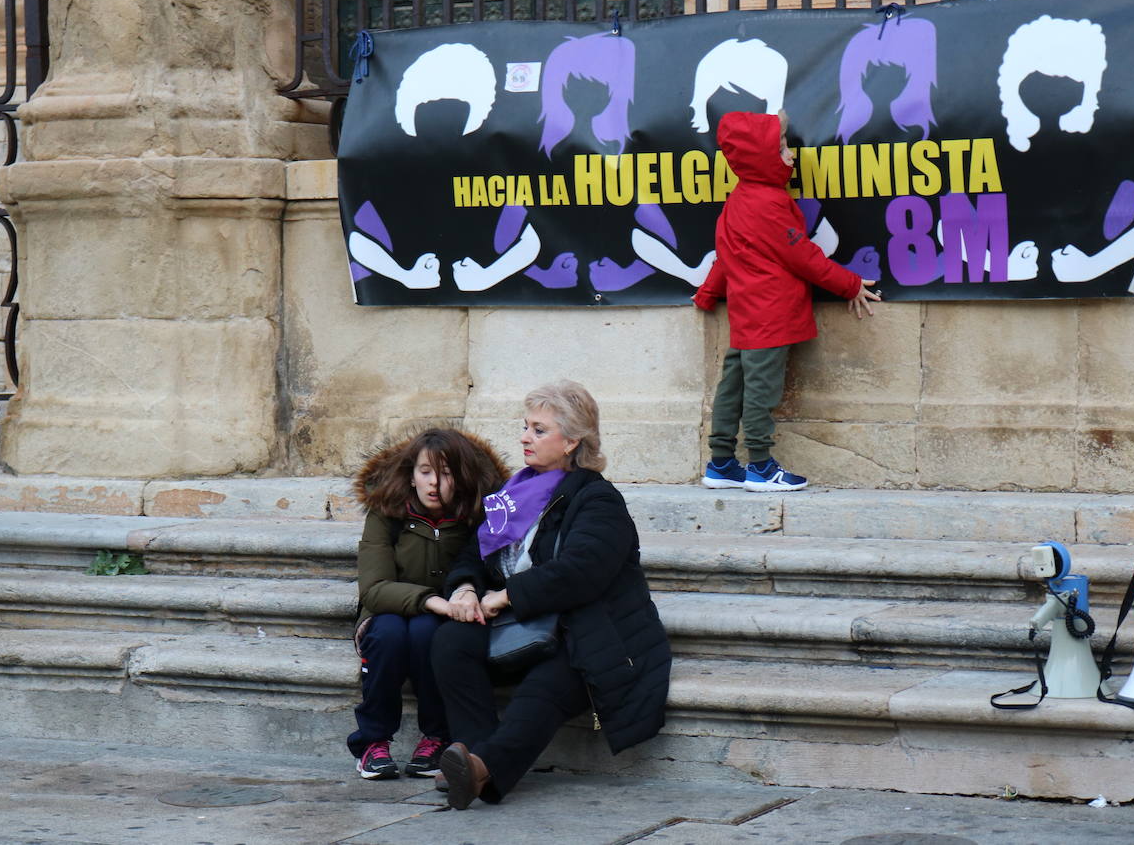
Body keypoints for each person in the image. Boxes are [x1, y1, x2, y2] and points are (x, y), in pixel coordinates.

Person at [430, 381, 672, 809]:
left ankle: (482, 769)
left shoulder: (597, 500)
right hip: (525, 627)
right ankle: (470, 756)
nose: (525, 437)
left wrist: (504, 597)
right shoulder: (512, 494)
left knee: (550, 683)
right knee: (451, 640)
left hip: (588, 633)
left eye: (539, 430)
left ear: (572, 441)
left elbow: (581, 572)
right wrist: (466, 588)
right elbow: (474, 553)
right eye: (525, 427)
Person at [693, 110, 881, 491]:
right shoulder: (768, 203)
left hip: (748, 315)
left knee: (734, 385)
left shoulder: (739, 200)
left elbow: (726, 255)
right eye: (781, 150)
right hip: (770, 315)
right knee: (762, 391)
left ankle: (721, 462)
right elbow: (803, 256)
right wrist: (849, 284)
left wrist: (708, 294)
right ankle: (760, 466)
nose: (791, 156)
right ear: (759, 158)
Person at [346, 428, 508, 780]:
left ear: (462, 476)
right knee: (388, 636)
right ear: (411, 475)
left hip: (442, 618)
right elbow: (373, 589)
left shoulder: (474, 516)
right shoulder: (386, 512)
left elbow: (486, 570)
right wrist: (432, 601)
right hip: (388, 610)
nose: (435, 483)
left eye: (446, 473)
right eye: (425, 472)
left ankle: (435, 737)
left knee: (426, 635)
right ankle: (372, 742)